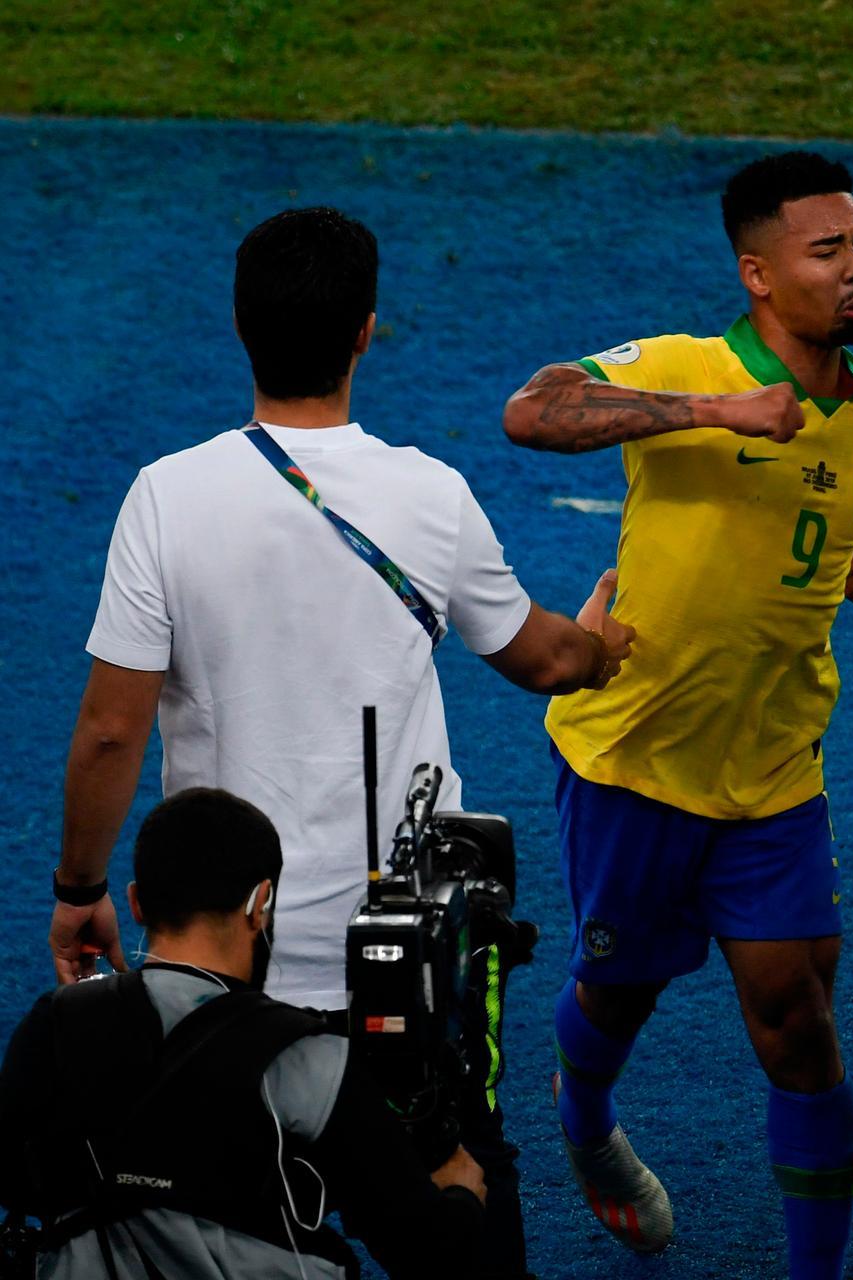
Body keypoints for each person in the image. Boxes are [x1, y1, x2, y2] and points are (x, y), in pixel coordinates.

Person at [50, 207, 633, 1280]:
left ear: (241, 328)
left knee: (235, 1207)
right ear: (367, 331)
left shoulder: (164, 500)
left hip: (227, 973)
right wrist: (602, 645)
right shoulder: (432, 497)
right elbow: (543, 656)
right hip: (400, 965)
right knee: (463, 1185)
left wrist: (80, 882)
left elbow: (108, 729)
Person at [500, 151, 853, 1276]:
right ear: (759, 274)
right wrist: (709, 411)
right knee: (619, 993)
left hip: (777, 767)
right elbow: (531, 410)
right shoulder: (691, 363)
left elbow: (833, 531)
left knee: (798, 1012)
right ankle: (584, 1117)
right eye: (826, 250)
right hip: (635, 762)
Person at [2, 788, 489, 1279]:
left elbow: (16, 1183)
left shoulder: (54, 1023)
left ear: (136, 904)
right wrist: (461, 1196)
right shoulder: (311, 1061)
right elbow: (426, 1248)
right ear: (261, 903)